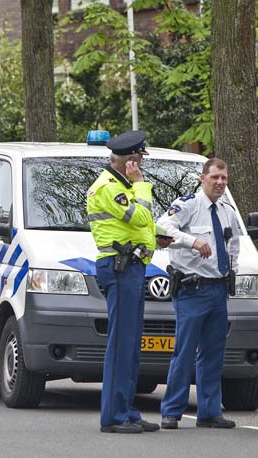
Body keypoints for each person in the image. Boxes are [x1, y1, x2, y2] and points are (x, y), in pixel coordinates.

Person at [155, 158, 238, 430]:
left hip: (217, 288)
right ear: (203, 179)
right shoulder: (188, 204)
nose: (220, 183)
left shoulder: (227, 210)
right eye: (215, 177)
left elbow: (232, 243)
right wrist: (192, 241)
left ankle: (210, 411)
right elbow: (161, 227)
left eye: (224, 178)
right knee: (185, 350)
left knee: (214, 352)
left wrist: (232, 272)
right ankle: (171, 410)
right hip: (192, 288)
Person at [86, 130, 160, 434]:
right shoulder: (108, 187)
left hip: (132, 266)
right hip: (120, 268)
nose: (142, 161)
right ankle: (114, 416)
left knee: (131, 344)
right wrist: (142, 185)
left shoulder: (120, 185)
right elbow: (141, 217)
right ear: (131, 160)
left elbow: (138, 224)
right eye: (140, 157)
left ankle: (127, 409)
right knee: (121, 343)